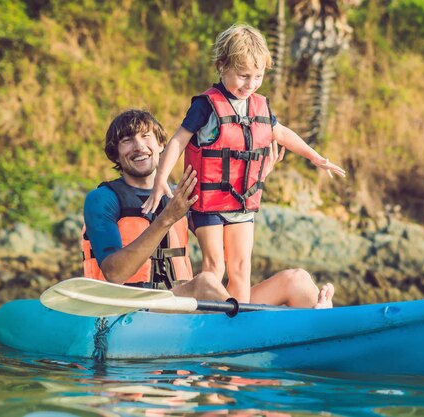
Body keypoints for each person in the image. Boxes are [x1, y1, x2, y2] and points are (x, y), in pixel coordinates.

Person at [142, 24, 345, 303]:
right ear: (222, 66)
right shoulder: (205, 106)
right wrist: (159, 182)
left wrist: (315, 158)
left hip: (242, 202)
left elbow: (282, 133)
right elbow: (177, 141)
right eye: (243, 76)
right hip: (208, 204)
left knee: (241, 268)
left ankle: (239, 323)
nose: (250, 84)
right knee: (215, 267)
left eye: (258, 76)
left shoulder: (259, 105)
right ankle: (215, 319)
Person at [83, 109, 334, 308]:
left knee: (297, 280)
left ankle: (322, 328)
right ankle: (245, 332)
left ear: (161, 144)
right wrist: (167, 218)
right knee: (205, 282)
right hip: (129, 310)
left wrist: (252, 183)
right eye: (127, 141)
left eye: (146, 136)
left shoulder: (182, 194)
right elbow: (114, 273)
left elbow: (227, 233)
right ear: (115, 155)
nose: (138, 146)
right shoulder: (103, 199)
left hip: (182, 307)